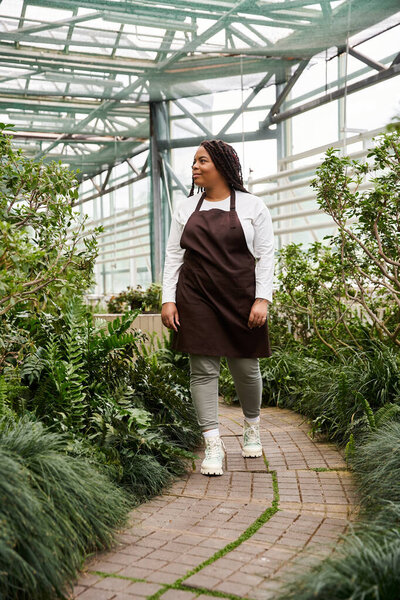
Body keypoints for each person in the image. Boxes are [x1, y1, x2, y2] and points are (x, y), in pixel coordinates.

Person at [161, 139, 274, 476]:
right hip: (196, 295)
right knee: (203, 370)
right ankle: (213, 443)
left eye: (202, 161)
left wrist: (262, 298)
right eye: (194, 161)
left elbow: (266, 255)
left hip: (241, 295)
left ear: (222, 166)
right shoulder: (184, 208)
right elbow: (173, 255)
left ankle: (251, 426)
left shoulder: (254, 206)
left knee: (246, 369)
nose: (194, 167)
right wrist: (168, 298)